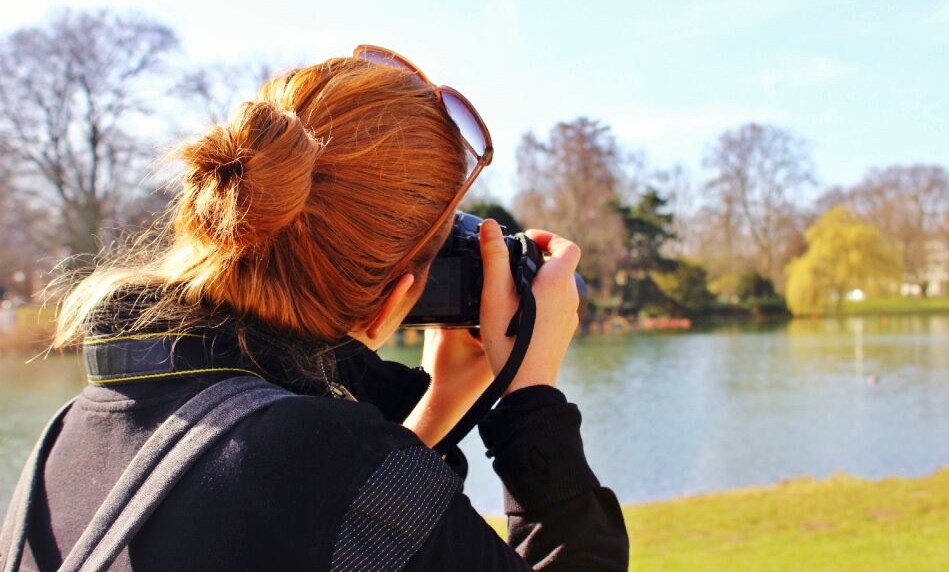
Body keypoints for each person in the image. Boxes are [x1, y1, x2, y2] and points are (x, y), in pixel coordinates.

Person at [0, 46, 628, 570]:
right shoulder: (333, 461)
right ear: (394, 300)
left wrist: (440, 402)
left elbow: (321, 534)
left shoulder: (67, 437)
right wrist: (530, 397)